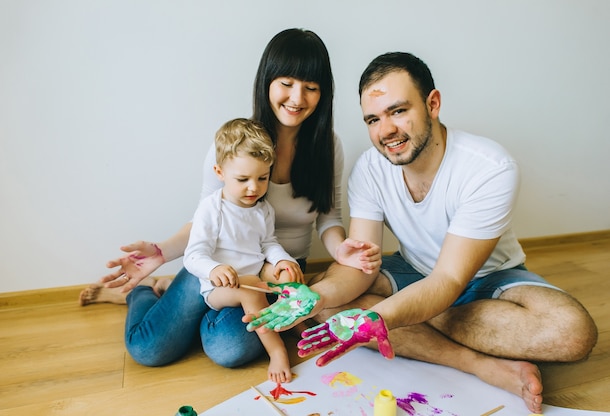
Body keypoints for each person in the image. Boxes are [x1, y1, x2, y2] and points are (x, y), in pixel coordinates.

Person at [244, 52, 599, 413]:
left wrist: (383, 316)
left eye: (398, 111)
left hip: (488, 278)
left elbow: (448, 278)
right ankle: (478, 363)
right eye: (373, 119)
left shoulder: (490, 167)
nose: (386, 131)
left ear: (433, 104)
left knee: (572, 333)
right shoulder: (369, 168)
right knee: (327, 305)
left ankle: (412, 314)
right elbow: (359, 264)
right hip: (412, 271)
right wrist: (315, 298)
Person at [79, 28, 380, 369]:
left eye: (310, 88)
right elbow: (206, 218)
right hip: (218, 265)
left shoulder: (328, 146)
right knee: (149, 350)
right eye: (287, 83)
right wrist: (162, 252)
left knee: (229, 350)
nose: (297, 98)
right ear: (267, 81)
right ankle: (146, 292)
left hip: (276, 272)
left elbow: (329, 216)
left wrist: (338, 249)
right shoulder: (235, 146)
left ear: (323, 93)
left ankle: (184, 302)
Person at [185, 117, 304, 383]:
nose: (254, 187)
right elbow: (193, 256)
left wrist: (283, 261)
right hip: (219, 288)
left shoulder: (263, 209)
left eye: (263, 178)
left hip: (256, 277)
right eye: (243, 179)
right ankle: (278, 352)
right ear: (220, 173)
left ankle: (292, 322)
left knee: (288, 276)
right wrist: (214, 268)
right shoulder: (211, 209)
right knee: (251, 289)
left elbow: (268, 243)